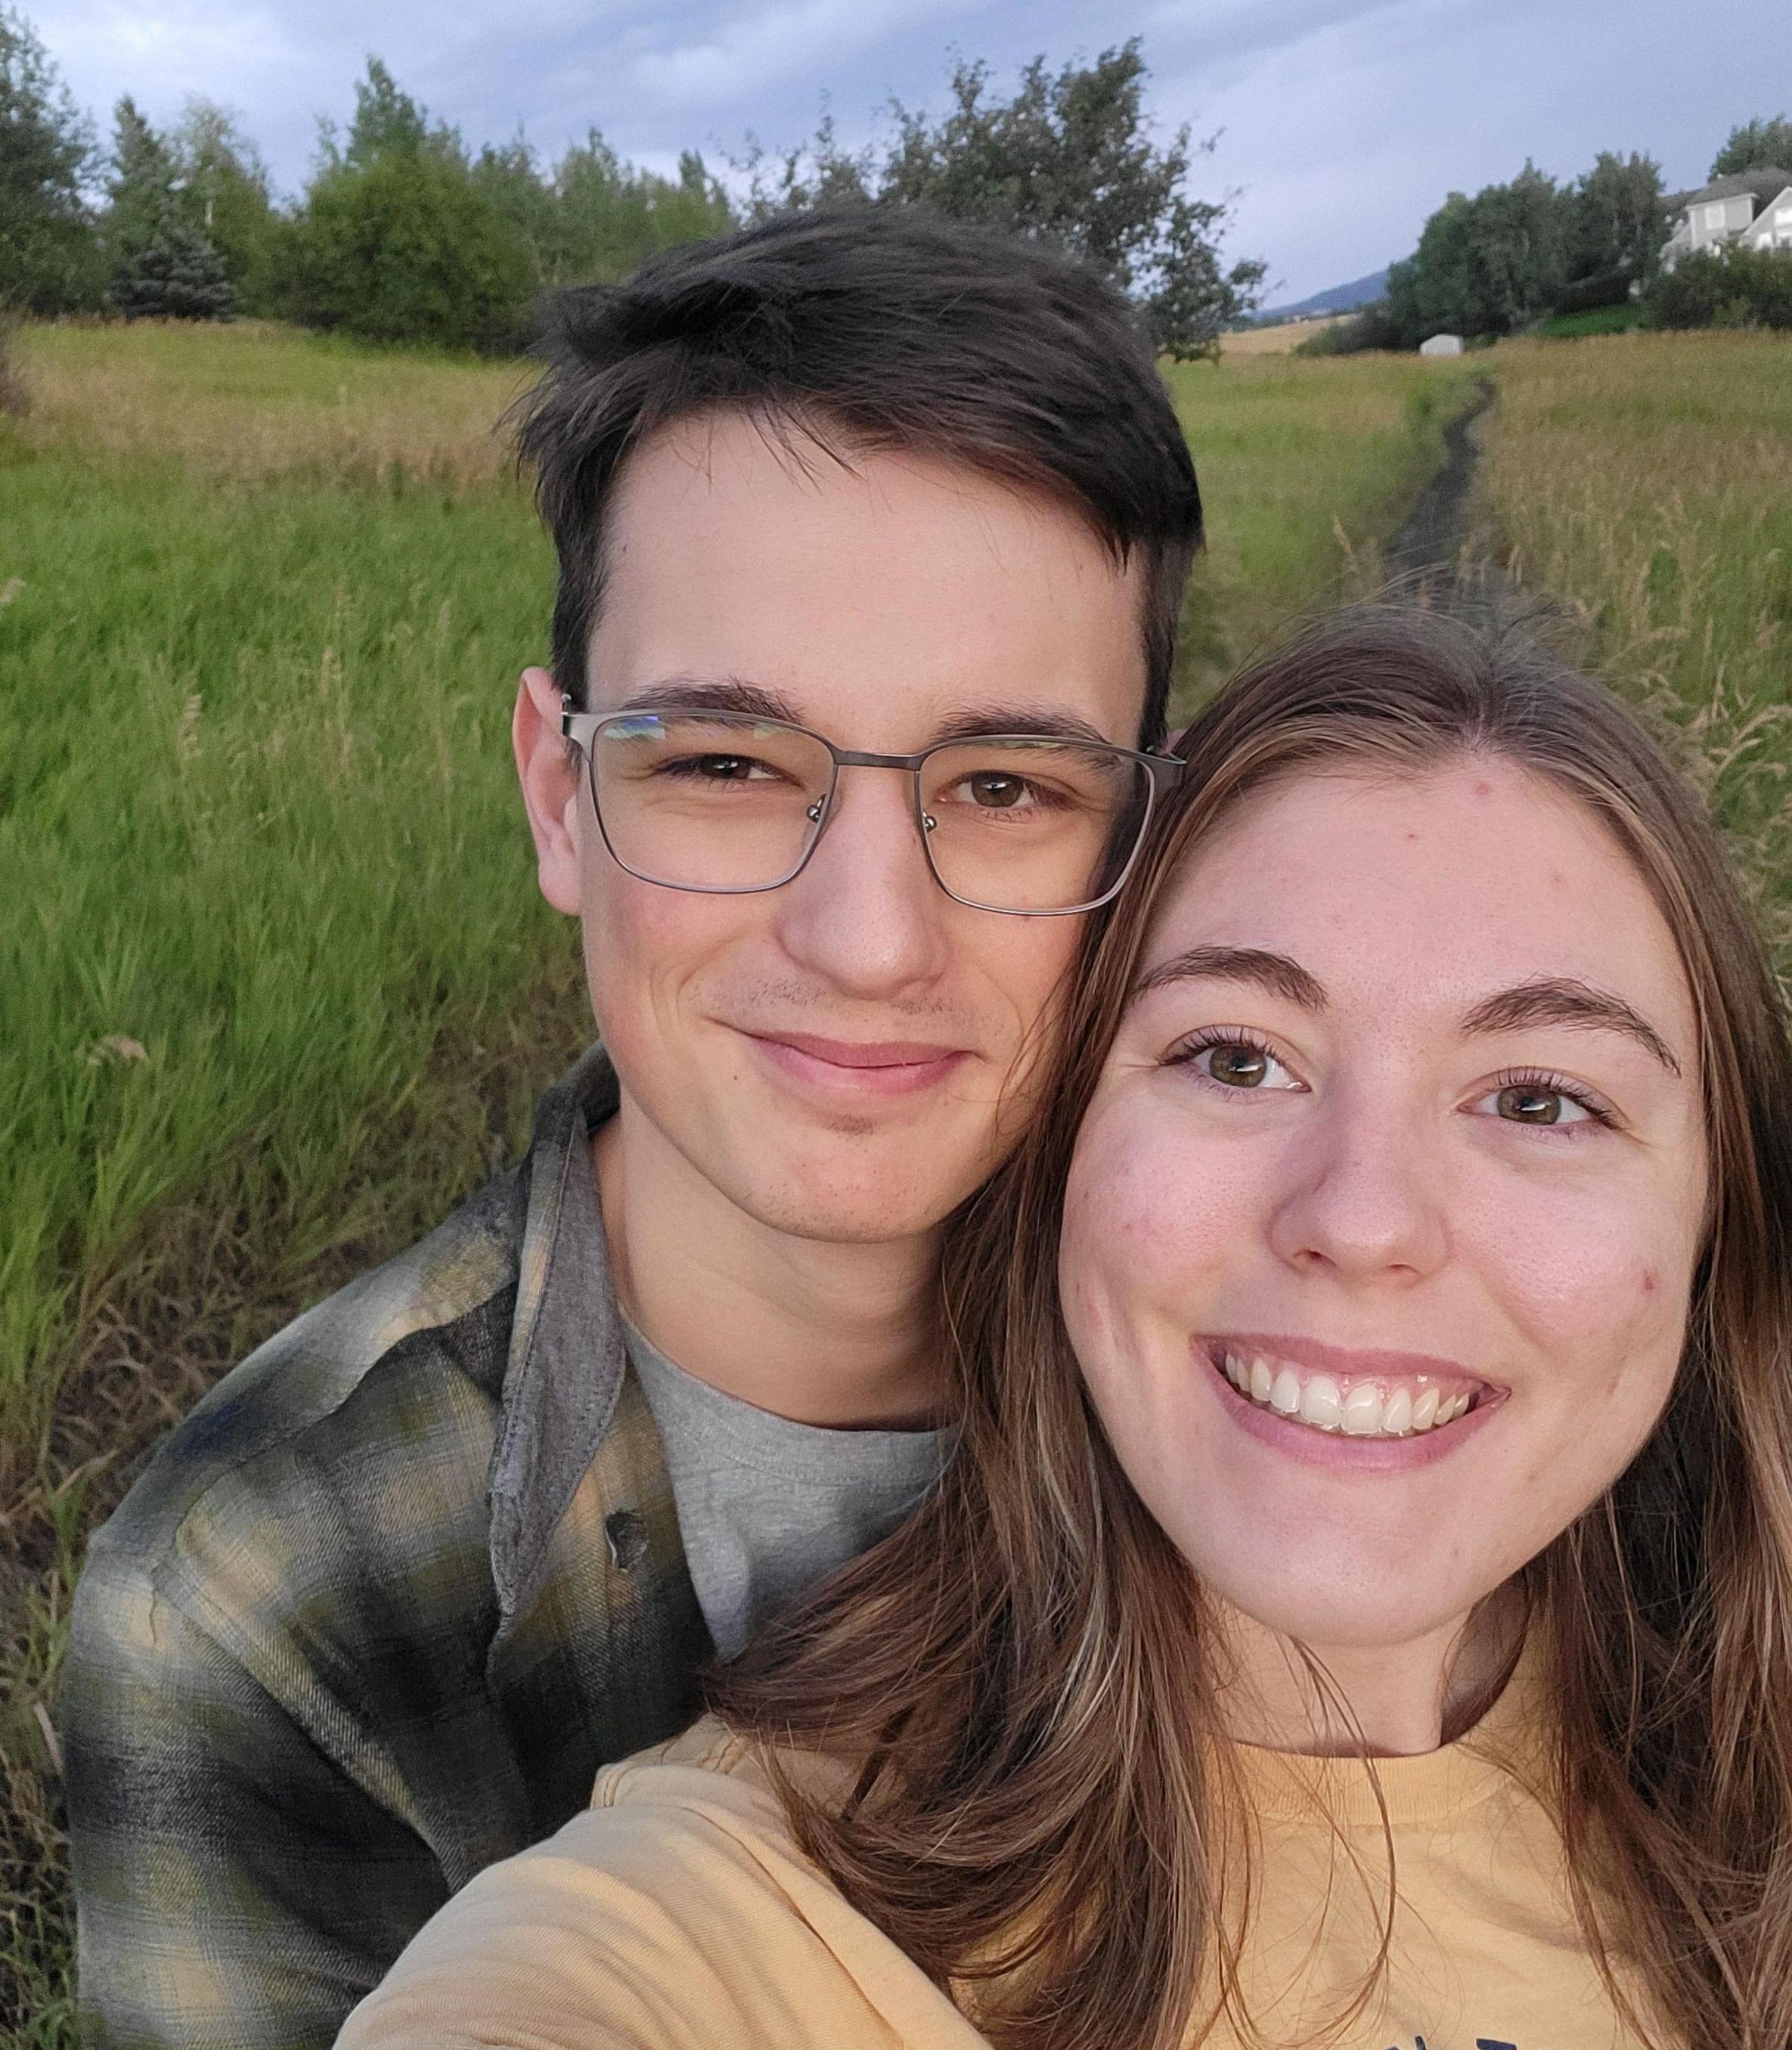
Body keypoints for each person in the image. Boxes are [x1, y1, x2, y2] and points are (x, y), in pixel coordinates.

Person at [341, 606, 1792, 2050]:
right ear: (1065, 1157)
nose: (1361, 1219)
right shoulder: (737, 1929)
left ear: (1713, 1226)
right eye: (1233, 1057)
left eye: (1539, 1097)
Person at [58, 207, 1201, 2050]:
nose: (868, 940)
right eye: (731, 766)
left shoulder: (1321, 1375)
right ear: (559, 794)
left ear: (1145, 831)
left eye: (1004, 787)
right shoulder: (262, 1591)